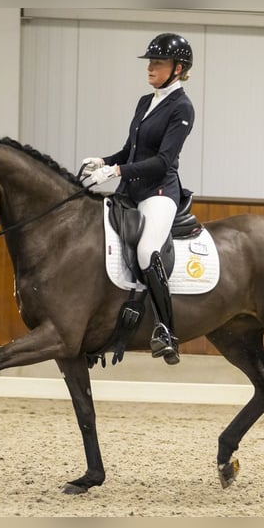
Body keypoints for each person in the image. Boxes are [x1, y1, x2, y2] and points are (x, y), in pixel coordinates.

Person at [83, 32, 195, 366]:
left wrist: (116, 171)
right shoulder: (146, 101)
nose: (150, 67)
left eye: (157, 62)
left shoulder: (182, 108)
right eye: (150, 61)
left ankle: (165, 329)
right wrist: (103, 161)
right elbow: (131, 149)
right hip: (130, 190)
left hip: (159, 191)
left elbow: (162, 161)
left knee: (147, 251)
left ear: (177, 68)